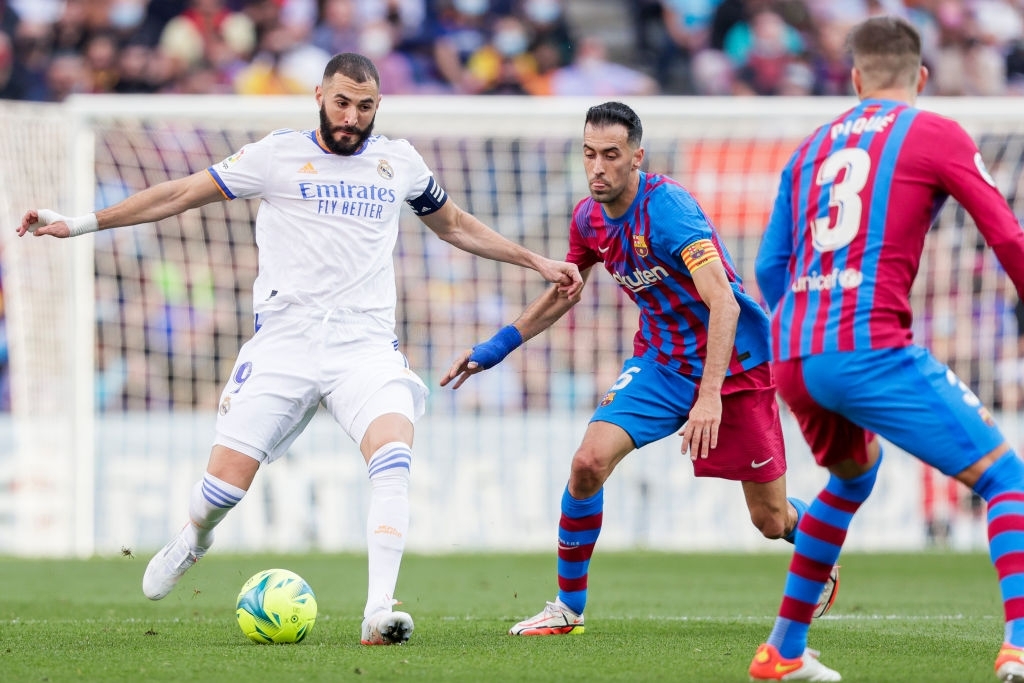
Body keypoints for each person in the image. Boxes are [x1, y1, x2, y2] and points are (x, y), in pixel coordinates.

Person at [18, 52, 582, 647]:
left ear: (378, 107)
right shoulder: (276, 155)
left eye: (364, 106)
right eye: (342, 102)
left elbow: (456, 226)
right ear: (319, 95)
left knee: (393, 458)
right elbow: (181, 194)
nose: (351, 116)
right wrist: (77, 223)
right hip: (284, 345)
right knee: (221, 494)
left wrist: (536, 261)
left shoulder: (400, 162)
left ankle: (378, 611)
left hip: (365, 348)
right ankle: (194, 539)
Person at [441, 100, 836, 637]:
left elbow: (724, 302)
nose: (597, 167)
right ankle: (567, 608)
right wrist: (498, 345)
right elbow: (567, 291)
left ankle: (819, 540)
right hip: (661, 363)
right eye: (589, 154)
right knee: (587, 463)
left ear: (636, 157)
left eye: (610, 155)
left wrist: (710, 396)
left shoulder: (670, 210)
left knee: (770, 521)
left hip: (735, 369)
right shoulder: (588, 218)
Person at [747, 16, 1024, 682]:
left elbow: (767, 267)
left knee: (851, 476)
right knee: (1005, 478)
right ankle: (1019, 641)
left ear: (854, 78)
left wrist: (812, 315)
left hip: (794, 353)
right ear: (921, 78)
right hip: (866, 345)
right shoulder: (935, 132)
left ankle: (782, 649)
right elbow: (1007, 235)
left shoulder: (812, 145)